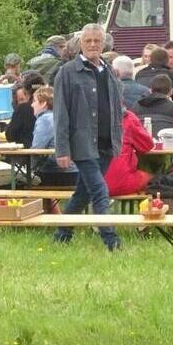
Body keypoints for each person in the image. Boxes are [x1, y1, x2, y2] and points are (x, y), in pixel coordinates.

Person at [52, 23, 123, 251]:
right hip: (82, 144)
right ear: (80, 44)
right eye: (88, 41)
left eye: (97, 41)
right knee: (100, 192)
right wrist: (62, 149)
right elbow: (60, 113)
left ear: (103, 44)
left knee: (82, 194)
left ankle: (62, 235)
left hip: (107, 144)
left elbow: (117, 108)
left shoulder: (109, 71)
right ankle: (112, 242)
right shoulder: (67, 72)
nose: (93, 45)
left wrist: (118, 139)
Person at [30, 86, 77, 188]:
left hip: (55, 172)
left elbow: (37, 149)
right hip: (75, 171)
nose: (32, 105)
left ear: (44, 104)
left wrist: (29, 169)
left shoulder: (44, 120)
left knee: (20, 183)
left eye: (34, 101)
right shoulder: (65, 116)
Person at [105, 107, 155, 196]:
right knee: (154, 178)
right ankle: (160, 208)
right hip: (120, 182)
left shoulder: (88, 118)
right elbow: (147, 146)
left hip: (92, 183)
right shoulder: (128, 118)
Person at [4, 71, 46, 148]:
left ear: (26, 92)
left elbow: (10, 135)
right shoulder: (52, 107)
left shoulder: (23, 109)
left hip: (25, 154)